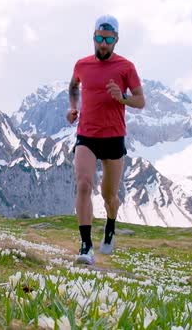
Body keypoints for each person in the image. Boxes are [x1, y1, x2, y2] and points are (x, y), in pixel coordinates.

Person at [67, 14, 145, 265]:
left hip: (114, 137)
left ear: (116, 40)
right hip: (86, 135)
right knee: (83, 185)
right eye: (99, 38)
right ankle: (85, 246)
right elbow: (73, 86)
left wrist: (121, 98)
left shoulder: (126, 67)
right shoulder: (82, 64)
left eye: (108, 40)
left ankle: (110, 224)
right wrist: (73, 107)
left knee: (108, 195)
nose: (103, 44)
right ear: (93, 37)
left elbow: (140, 101)